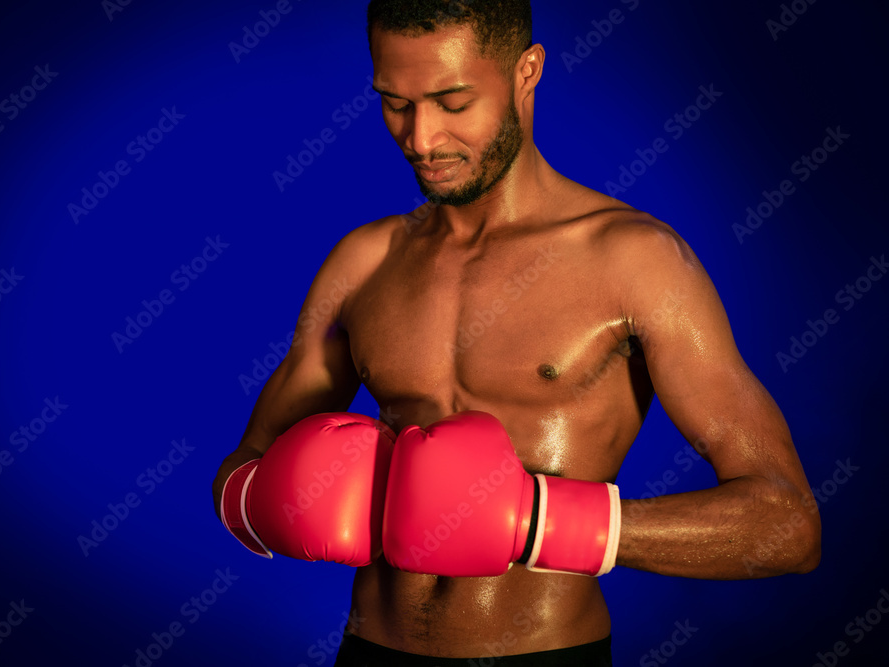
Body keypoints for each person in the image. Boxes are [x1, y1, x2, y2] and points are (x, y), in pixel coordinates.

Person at [212, 1, 821, 664]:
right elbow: (243, 468)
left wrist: (539, 522)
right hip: (369, 651)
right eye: (394, 102)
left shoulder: (635, 261)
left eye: (451, 100)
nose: (419, 137)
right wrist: (264, 499)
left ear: (527, 71)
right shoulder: (365, 261)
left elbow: (787, 526)